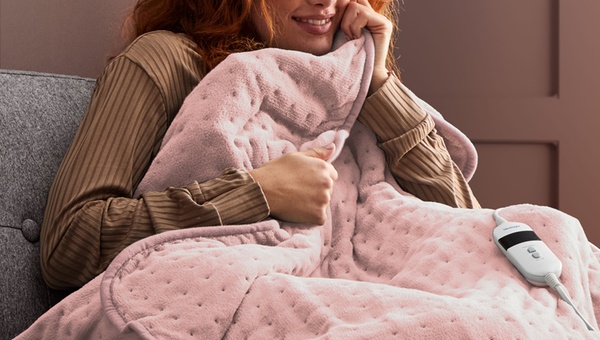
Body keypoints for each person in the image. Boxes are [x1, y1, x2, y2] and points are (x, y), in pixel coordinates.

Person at [40, 0, 480, 290]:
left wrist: (378, 82)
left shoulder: (347, 76)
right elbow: (69, 243)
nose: (325, 1)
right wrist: (259, 192)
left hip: (365, 301)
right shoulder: (167, 62)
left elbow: (469, 231)